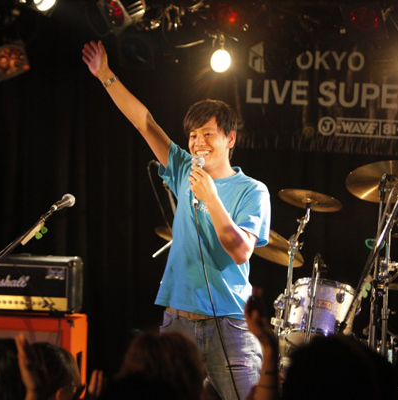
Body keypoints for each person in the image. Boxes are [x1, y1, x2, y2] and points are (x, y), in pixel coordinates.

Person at [82, 40, 271, 400]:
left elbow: (240, 251)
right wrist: (105, 74)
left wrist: (212, 198)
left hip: (230, 323)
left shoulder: (252, 190)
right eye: (193, 135)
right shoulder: (184, 168)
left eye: (208, 134)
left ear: (230, 138)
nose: (198, 143)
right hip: (178, 320)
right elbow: (145, 122)